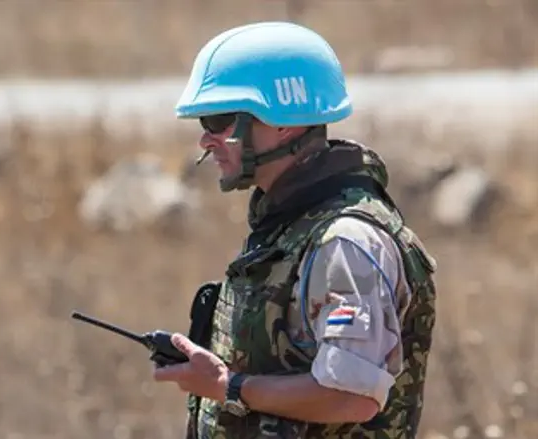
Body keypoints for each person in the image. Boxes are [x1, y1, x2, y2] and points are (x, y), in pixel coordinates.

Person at [152, 22, 439, 439]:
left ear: (283, 122)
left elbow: (351, 395)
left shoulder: (345, 241)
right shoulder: (287, 225)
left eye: (219, 120)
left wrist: (228, 387)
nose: (205, 141)